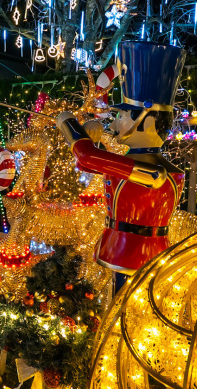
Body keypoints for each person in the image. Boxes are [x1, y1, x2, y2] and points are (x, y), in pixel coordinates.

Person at [56, 41, 186, 293]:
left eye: (122, 116)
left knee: (129, 310)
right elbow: (93, 164)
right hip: (120, 248)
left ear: (145, 121)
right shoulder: (135, 165)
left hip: (139, 256)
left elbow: (86, 158)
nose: (114, 126)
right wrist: (93, 143)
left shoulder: (154, 173)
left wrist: (69, 125)